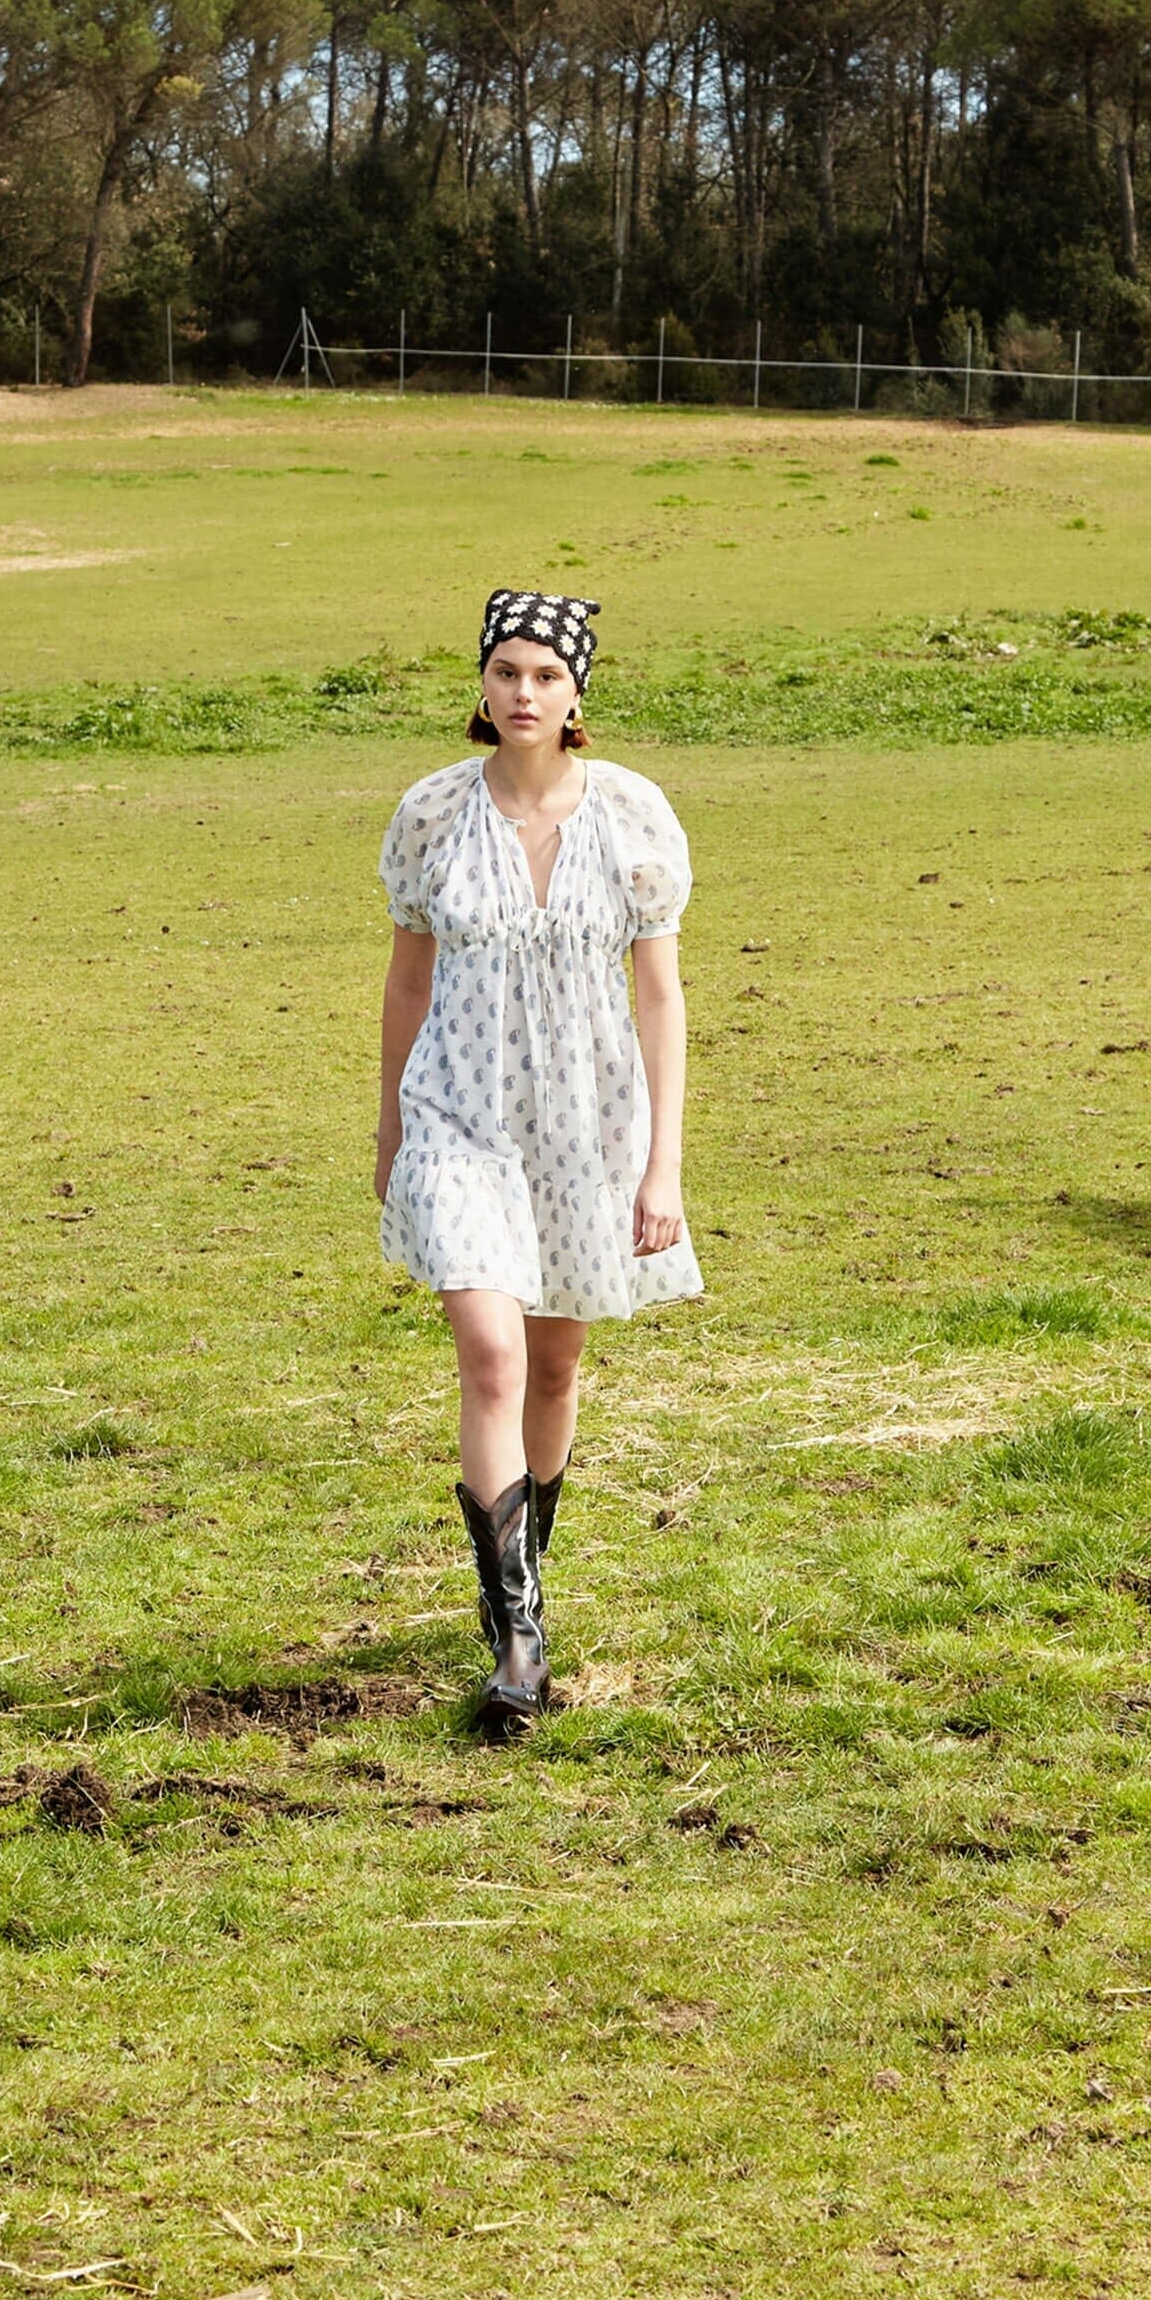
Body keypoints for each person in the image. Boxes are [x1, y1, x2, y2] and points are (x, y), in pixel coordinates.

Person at [375, 589, 702, 1735]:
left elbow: (658, 999)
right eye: (505, 672)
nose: (523, 693)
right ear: (481, 685)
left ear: (577, 697)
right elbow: (408, 984)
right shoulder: (429, 816)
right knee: (492, 1357)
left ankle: (523, 1580)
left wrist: (662, 1168)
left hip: (587, 1127)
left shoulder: (632, 816)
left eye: (545, 677)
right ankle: (517, 1634)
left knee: (557, 1372)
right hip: (460, 1118)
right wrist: (391, 1134)